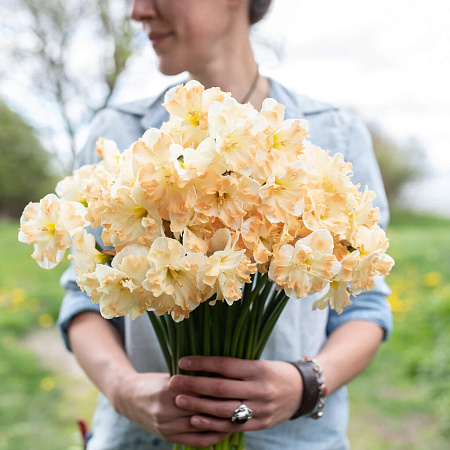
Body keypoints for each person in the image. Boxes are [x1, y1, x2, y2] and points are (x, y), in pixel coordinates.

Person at [58, 1, 393, 449]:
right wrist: (124, 391)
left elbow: (364, 306)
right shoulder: (118, 135)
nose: (138, 10)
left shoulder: (332, 135)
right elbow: (82, 297)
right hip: (136, 438)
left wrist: (305, 385)